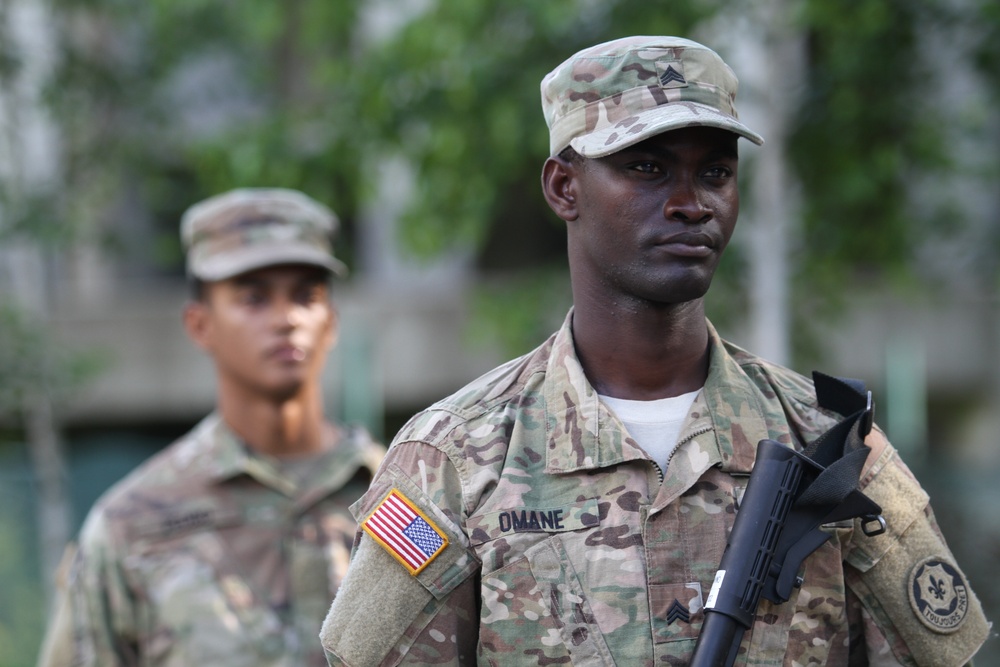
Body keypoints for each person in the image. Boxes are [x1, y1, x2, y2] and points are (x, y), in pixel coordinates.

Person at [318, 36, 990, 666]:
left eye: (716, 172)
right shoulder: (453, 461)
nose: (690, 203)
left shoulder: (829, 449)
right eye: (647, 167)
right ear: (562, 186)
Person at [37, 188, 384, 667]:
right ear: (200, 324)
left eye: (306, 295)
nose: (286, 319)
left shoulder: (407, 497)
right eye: (254, 298)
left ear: (331, 322)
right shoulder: (133, 526)